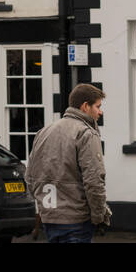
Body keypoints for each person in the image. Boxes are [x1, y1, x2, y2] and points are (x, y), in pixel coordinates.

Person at [25, 83, 111, 243]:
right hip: (77, 220)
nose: (100, 111)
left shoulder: (43, 132)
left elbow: (30, 176)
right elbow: (94, 182)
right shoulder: (86, 133)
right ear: (85, 106)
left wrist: (43, 207)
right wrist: (99, 217)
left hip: (50, 219)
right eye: (98, 106)